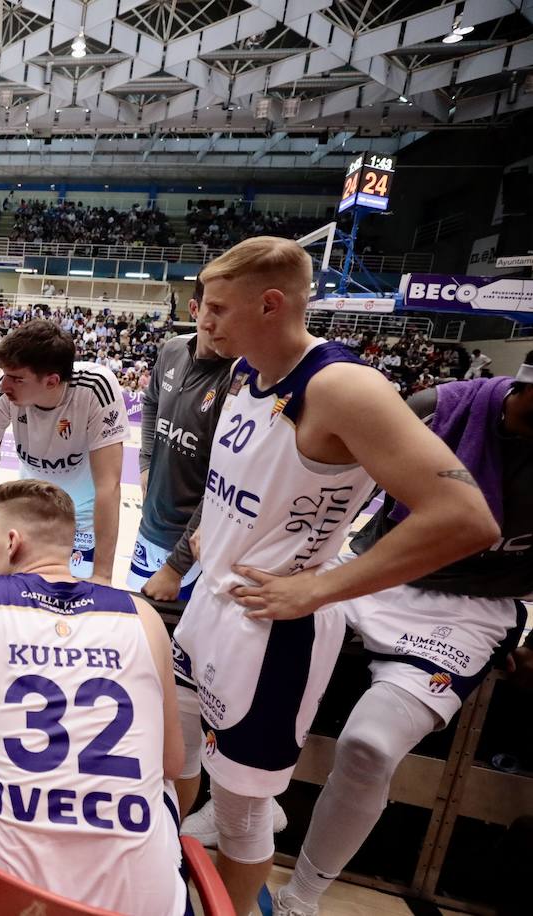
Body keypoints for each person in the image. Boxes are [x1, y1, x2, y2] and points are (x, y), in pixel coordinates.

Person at [170, 236, 498, 913]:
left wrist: (320, 587)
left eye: (218, 308)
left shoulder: (343, 386)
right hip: (212, 603)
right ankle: (170, 878)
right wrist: (215, 533)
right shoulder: (245, 370)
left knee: (240, 813)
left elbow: (466, 518)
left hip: (272, 629)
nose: (203, 318)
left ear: (271, 304)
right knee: (174, 755)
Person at [273, 356, 533, 916]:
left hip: (471, 609)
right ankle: (250, 803)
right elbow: (325, 487)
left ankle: (303, 895)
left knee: (369, 746)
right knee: (242, 643)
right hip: (374, 570)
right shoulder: (437, 408)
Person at [0, 480, 186, 915]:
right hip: (135, 906)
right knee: (161, 780)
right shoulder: (142, 615)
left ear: (12, 542)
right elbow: (173, 764)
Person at [0, 319, 127, 594]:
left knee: (72, 594)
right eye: (5, 374)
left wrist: (103, 576)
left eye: (17, 379)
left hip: (82, 514)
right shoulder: (4, 389)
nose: (4, 385)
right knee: (18, 590)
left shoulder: (96, 388)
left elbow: (109, 486)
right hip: (31, 504)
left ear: (52, 381)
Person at [130, 278, 233, 604]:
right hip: (150, 526)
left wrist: (177, 566)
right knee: (138, 619)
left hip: (192, 546)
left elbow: (227, 484)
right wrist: (146, 461)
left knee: (175, 630)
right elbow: (150, 402)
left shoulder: (240, 379)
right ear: (194, 308)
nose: (225, 325)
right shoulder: (173, 349)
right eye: (216, 309)